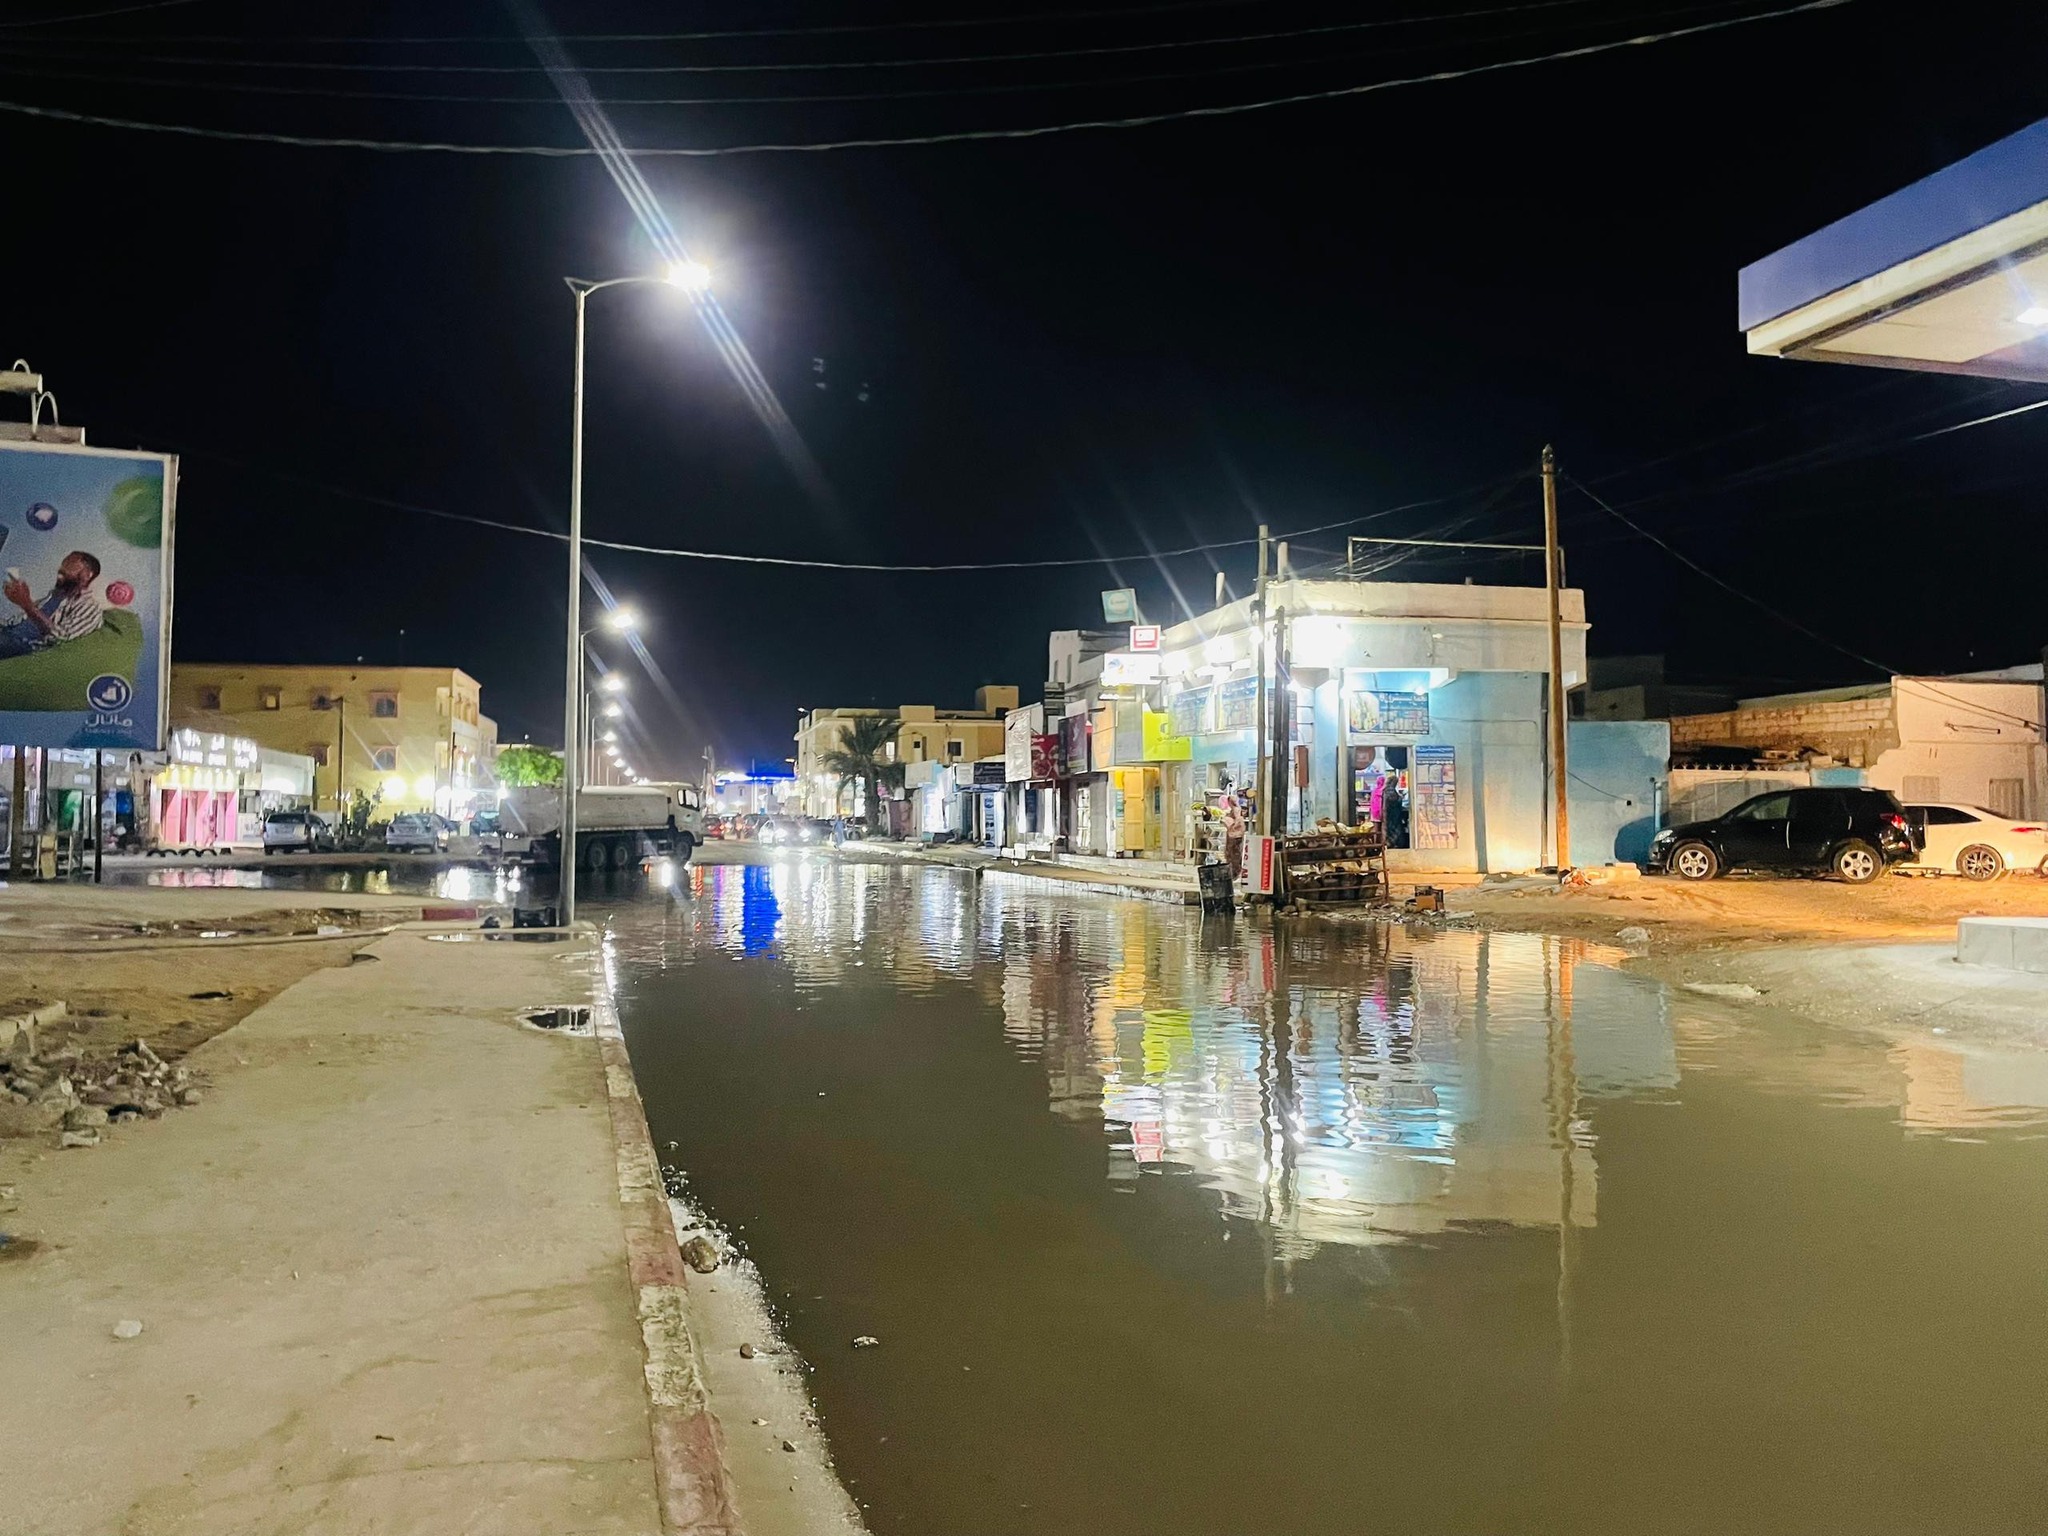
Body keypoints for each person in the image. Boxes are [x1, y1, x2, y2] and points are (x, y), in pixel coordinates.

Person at [0, 550, 105, 659]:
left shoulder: (90, 607)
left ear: (86, 575)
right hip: (9, 634)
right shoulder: (54, 596)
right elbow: (20, 621)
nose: (62, 569)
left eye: (70, 566)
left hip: (24, 645)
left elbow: (61, 637)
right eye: (63, 564)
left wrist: (27, 604)